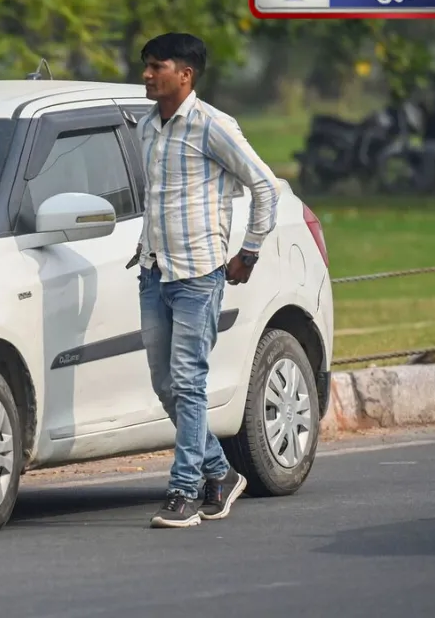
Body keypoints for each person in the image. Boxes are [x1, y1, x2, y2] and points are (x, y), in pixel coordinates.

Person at [132, 32, 281, 528]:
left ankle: (184, 492)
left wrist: (250, 252)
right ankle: (221, 472)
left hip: (198, 274)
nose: (148, 75)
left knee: (189, 382)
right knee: (165, 384)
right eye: (146, 66)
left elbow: (264, 186)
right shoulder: (146, 127)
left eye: (157, 66)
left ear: (186, 74)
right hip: (155, 271)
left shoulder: (213, 126)